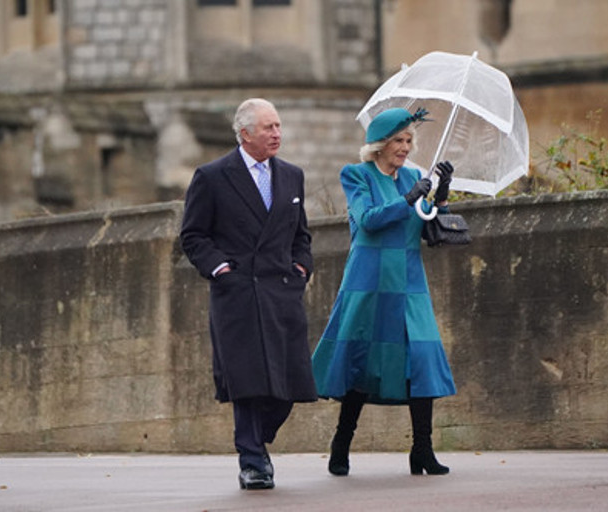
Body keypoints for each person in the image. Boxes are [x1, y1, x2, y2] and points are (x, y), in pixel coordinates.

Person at [311, 107, 457, 477]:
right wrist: (408, 198)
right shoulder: (356, 175)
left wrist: (439, 194)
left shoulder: (412, 176)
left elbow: (427, 229)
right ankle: (341, 443)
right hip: (370, 282)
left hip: (409, 283)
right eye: (399, 141)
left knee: (421, 361)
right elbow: (369, 220)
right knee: (363, 364)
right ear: (380, 144)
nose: (406, 148)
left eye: (410, 141)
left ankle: (422, 449)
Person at [180, 98, 316, 491]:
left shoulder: (292, 176)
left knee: (289, 386)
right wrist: (220, 269)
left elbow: (300, 235)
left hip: (282, 293)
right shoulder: (212, 176)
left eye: (278, 126)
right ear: (245, 134)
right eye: (268, 128)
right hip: (238, 294)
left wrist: (302, 266)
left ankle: (258, 442)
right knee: (248, 382)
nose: (277, 134)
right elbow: (193, 235)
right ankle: (252, 460)